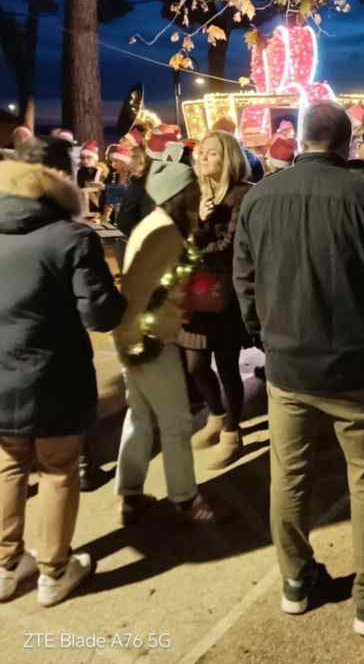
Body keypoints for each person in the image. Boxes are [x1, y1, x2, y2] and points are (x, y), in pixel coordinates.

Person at [234, 102, 364, 638]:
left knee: (288, 477)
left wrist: (264, 337)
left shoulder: (260, 196)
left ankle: (295, 580)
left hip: (288, 366)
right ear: (346, 141)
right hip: (358, 366)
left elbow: (244, 280)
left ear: (301, 139)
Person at [0, 139, 125, 606]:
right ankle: (54, 570)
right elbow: (101, 315)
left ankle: (6, 565)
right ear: (60, 176)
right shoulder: (72, 237)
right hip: (53, 376)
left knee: (8, 464)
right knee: (56, 469)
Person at [113, 160, 220, 526]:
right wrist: (182, 308)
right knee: (175, 423)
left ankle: (130, 495)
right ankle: (185, 498)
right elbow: (144, 293)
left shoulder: (155, 226)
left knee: (140, 417)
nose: (198, 193)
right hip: (151, 341)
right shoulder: (164, 234)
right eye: (192, 189)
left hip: (137, 339)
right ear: (180, 194)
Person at [180, 131, 252, 468]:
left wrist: (200, 232)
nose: (202, 157)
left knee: (227, 366)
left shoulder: (242, 194)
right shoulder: (194, 192)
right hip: (195, 291)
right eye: (201, 152)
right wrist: (197, 223)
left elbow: (229, 248)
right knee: (195, 365)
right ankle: (216, 414)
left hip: (226, 293)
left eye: (211, 152)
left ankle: (232, 432)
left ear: (228, 158)